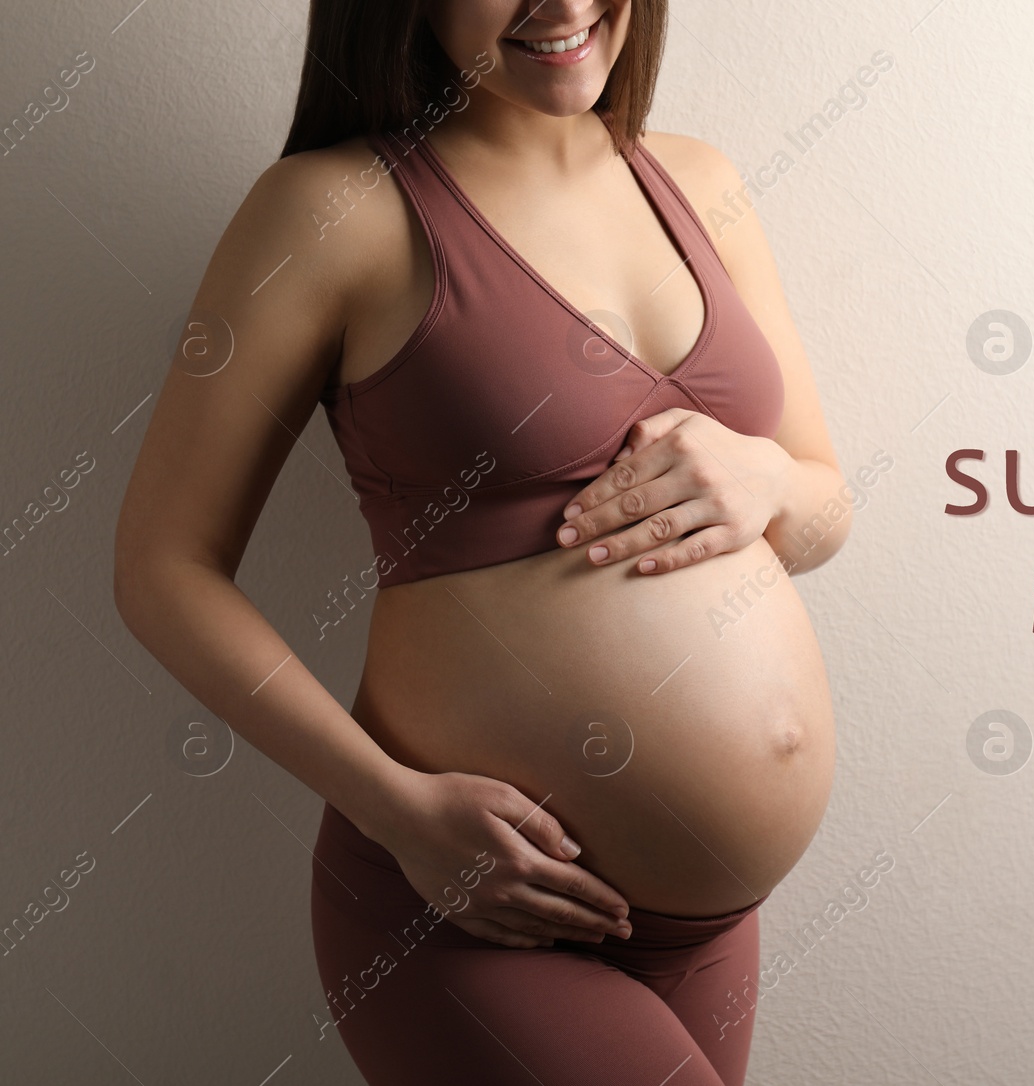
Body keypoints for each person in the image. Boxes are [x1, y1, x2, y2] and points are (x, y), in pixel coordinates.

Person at [113, 2, 848, 1082]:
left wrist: (770, 478)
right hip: (463, 908)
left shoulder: (697, 181)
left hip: (708, 929)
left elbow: (825, 506)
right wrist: (395, 809)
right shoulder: (332, 211)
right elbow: (161, 569)